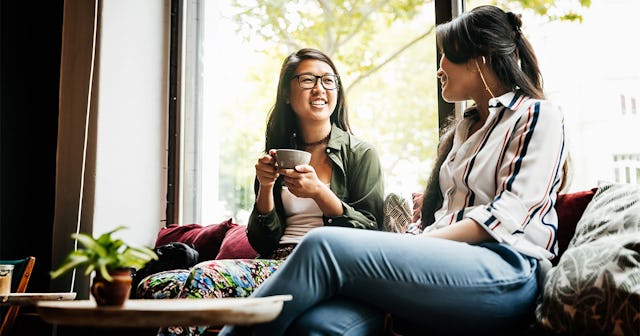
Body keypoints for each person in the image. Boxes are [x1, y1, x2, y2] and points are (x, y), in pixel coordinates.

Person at [218, 5, 568, 336]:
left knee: (323, 244)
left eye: (446, 55)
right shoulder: (466, 129)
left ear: (481, 60)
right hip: (446, 269)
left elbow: (507, 216)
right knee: (317, 325)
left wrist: (411, 248)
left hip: (506, 273)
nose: (439, 66)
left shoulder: (537, 115)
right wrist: (408, 247)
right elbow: (442, 216)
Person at [153, 47, 385, 336]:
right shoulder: (278, 155)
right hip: (274, 261)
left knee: (206, 276)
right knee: (161, 283)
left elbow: (375, 231)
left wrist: (319, 193)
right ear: (287, 94)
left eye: (328, 80)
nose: (320, 89)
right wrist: (264, 186)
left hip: (320, 266)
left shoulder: (360, 154)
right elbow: (263, 242)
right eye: (308, 80)